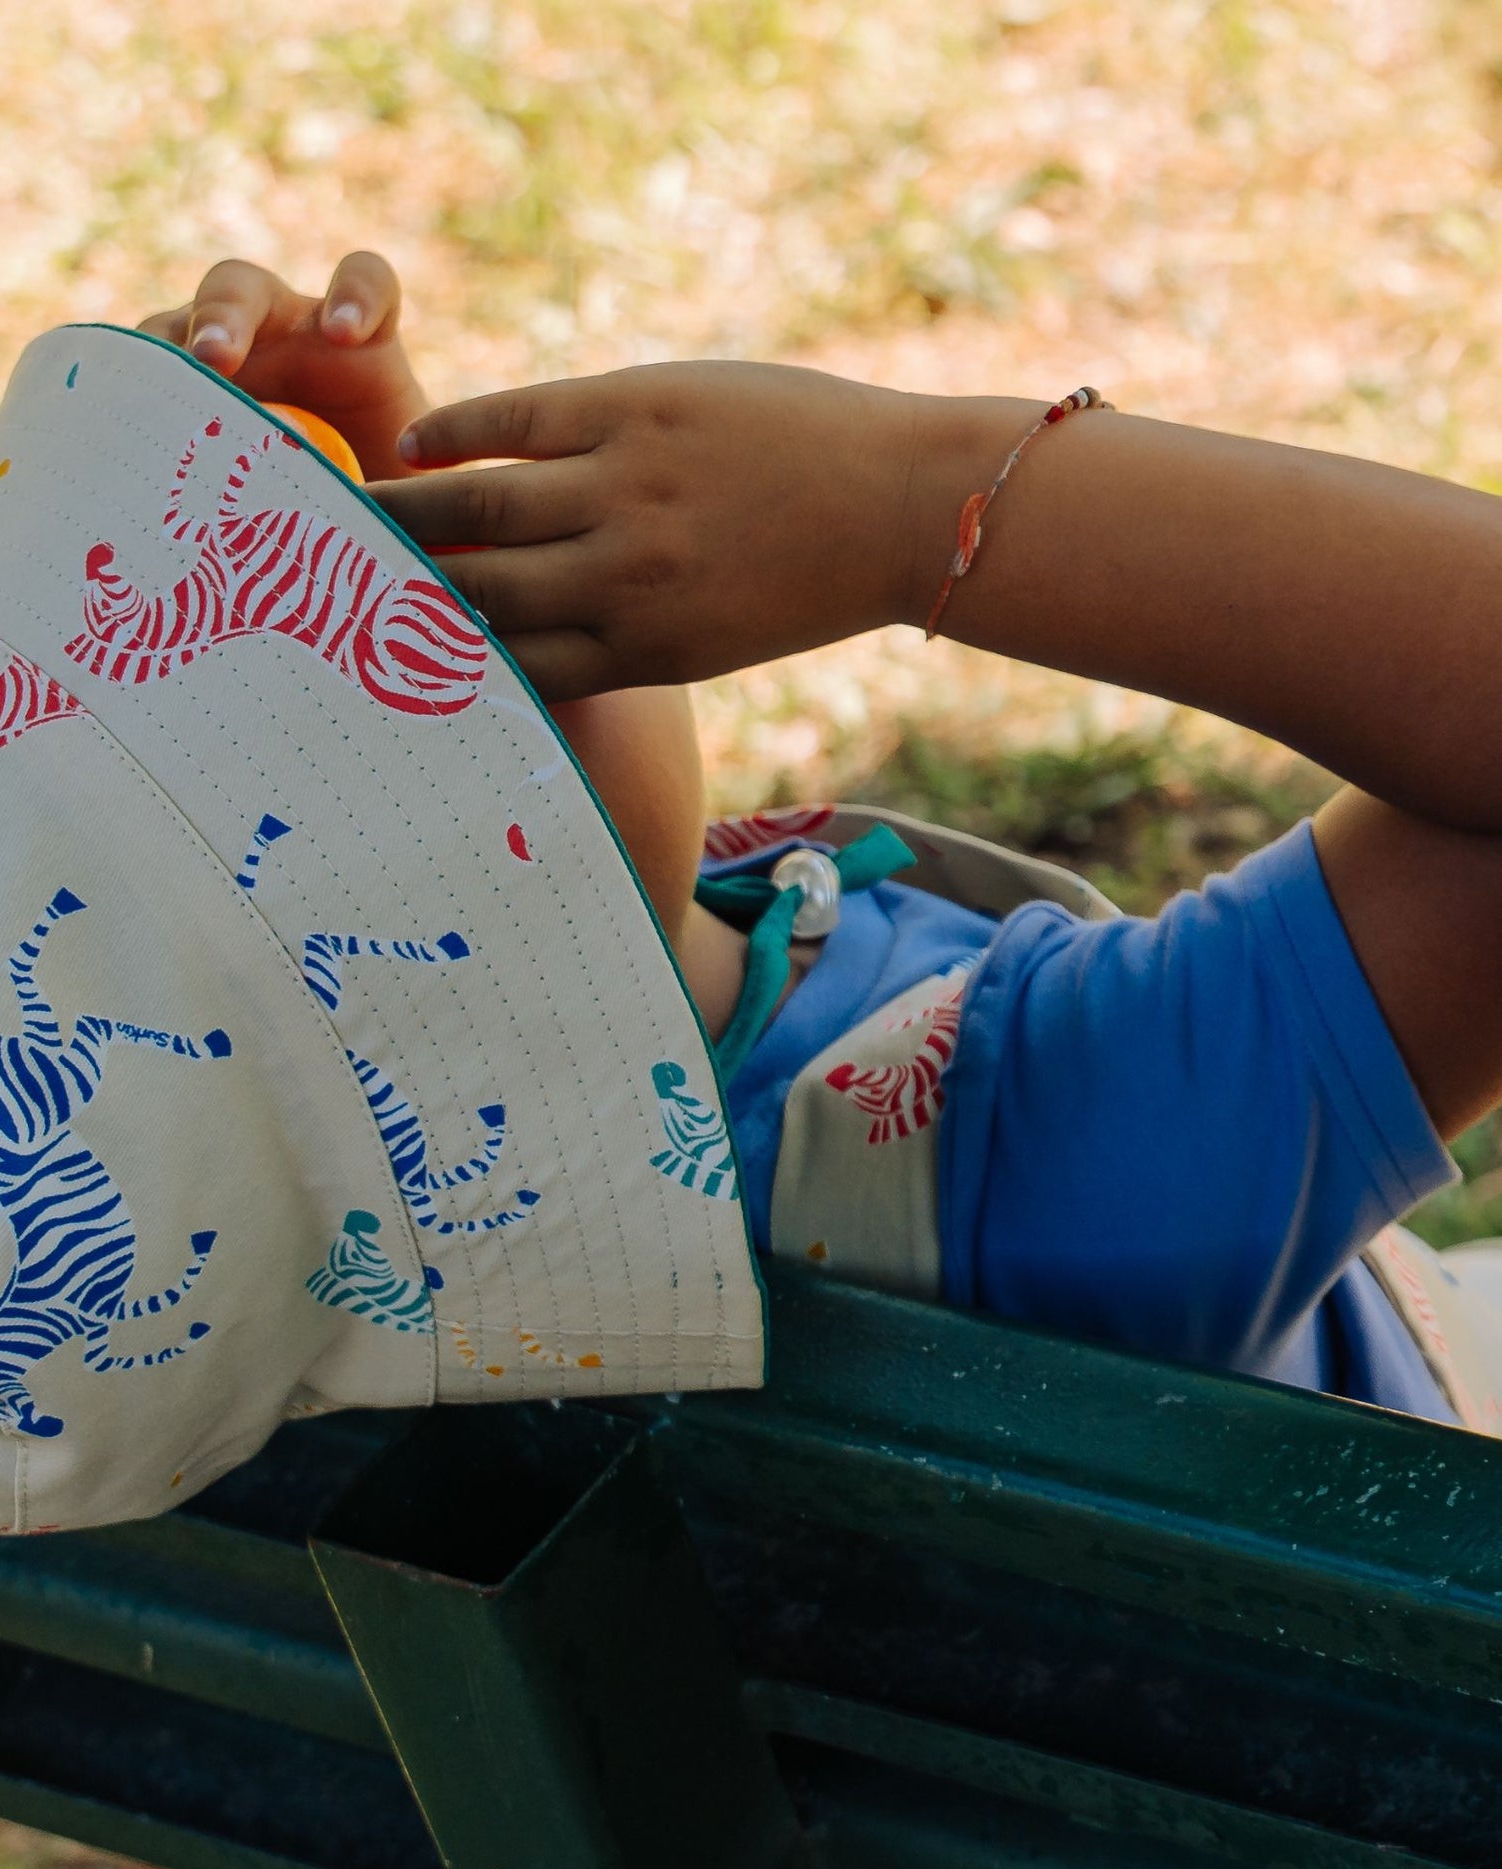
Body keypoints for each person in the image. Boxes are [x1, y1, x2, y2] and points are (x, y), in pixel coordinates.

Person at [145, 250, 1502, 1431]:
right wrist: (906, 506)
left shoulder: (141, 1273)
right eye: (442, 633)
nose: (424, 605)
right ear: (519, 803)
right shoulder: (1030, 1159)